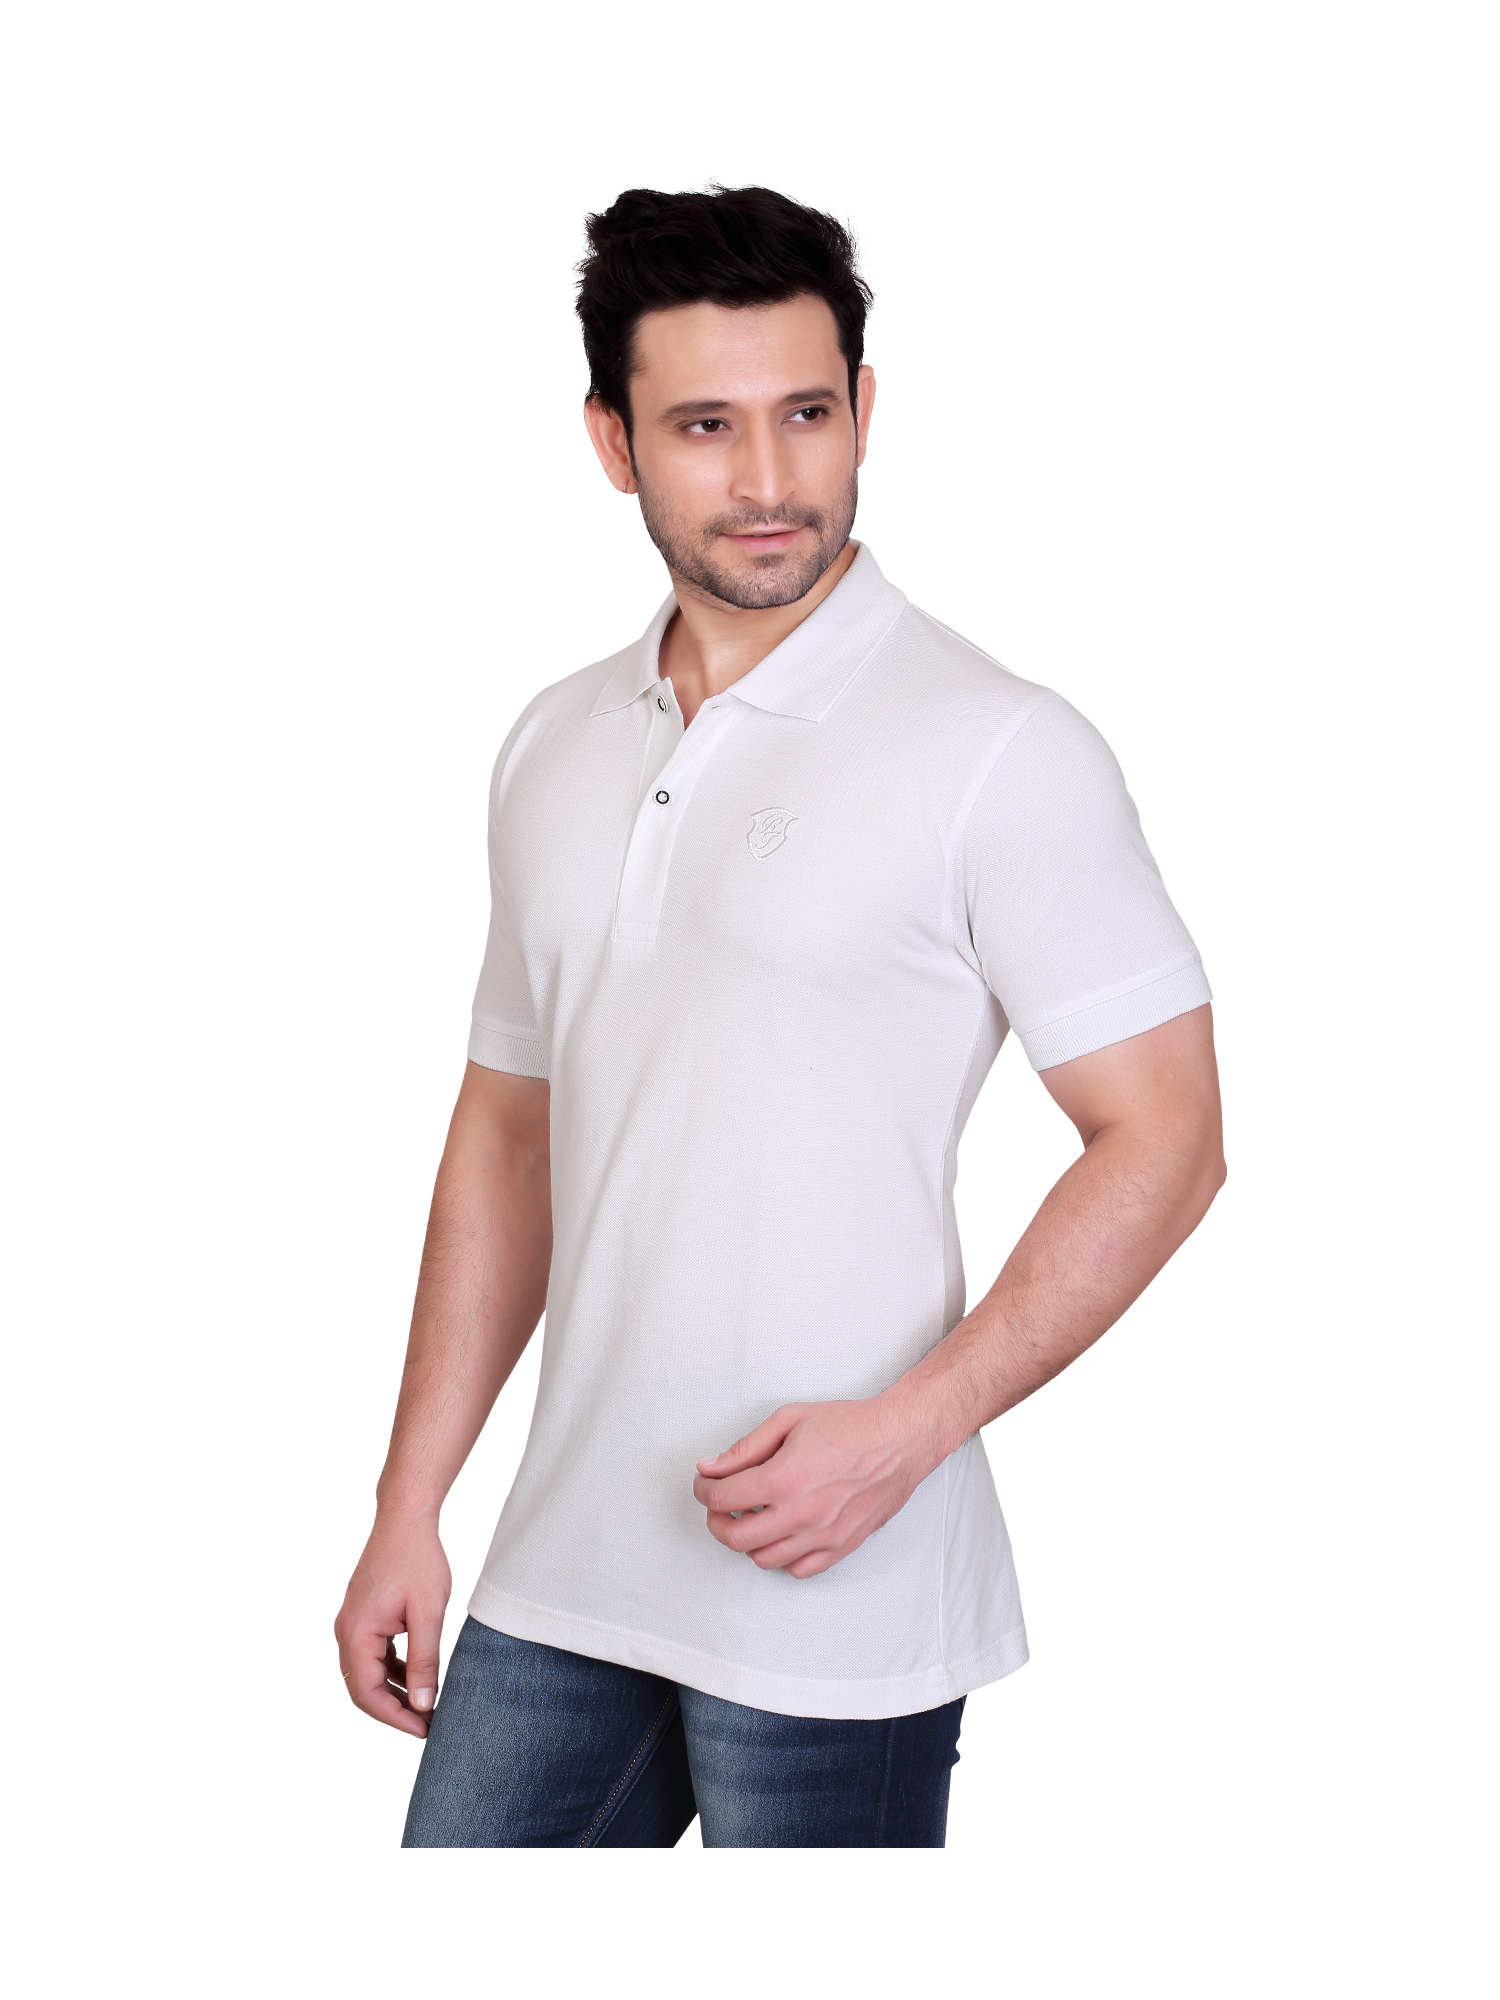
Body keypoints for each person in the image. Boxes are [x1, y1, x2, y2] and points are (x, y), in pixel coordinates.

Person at [334, 184, 1225, 1849]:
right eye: (704, 426)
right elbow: (508, 1138)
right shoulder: (553, 741)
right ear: (612, 443)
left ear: (863, 408)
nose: (767, 479)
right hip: (565, 1568)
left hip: (839, 1592)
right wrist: (410, 1500)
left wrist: (909, 1434)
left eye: (807, 414)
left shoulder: (998, 746)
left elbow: (1166, 1136)